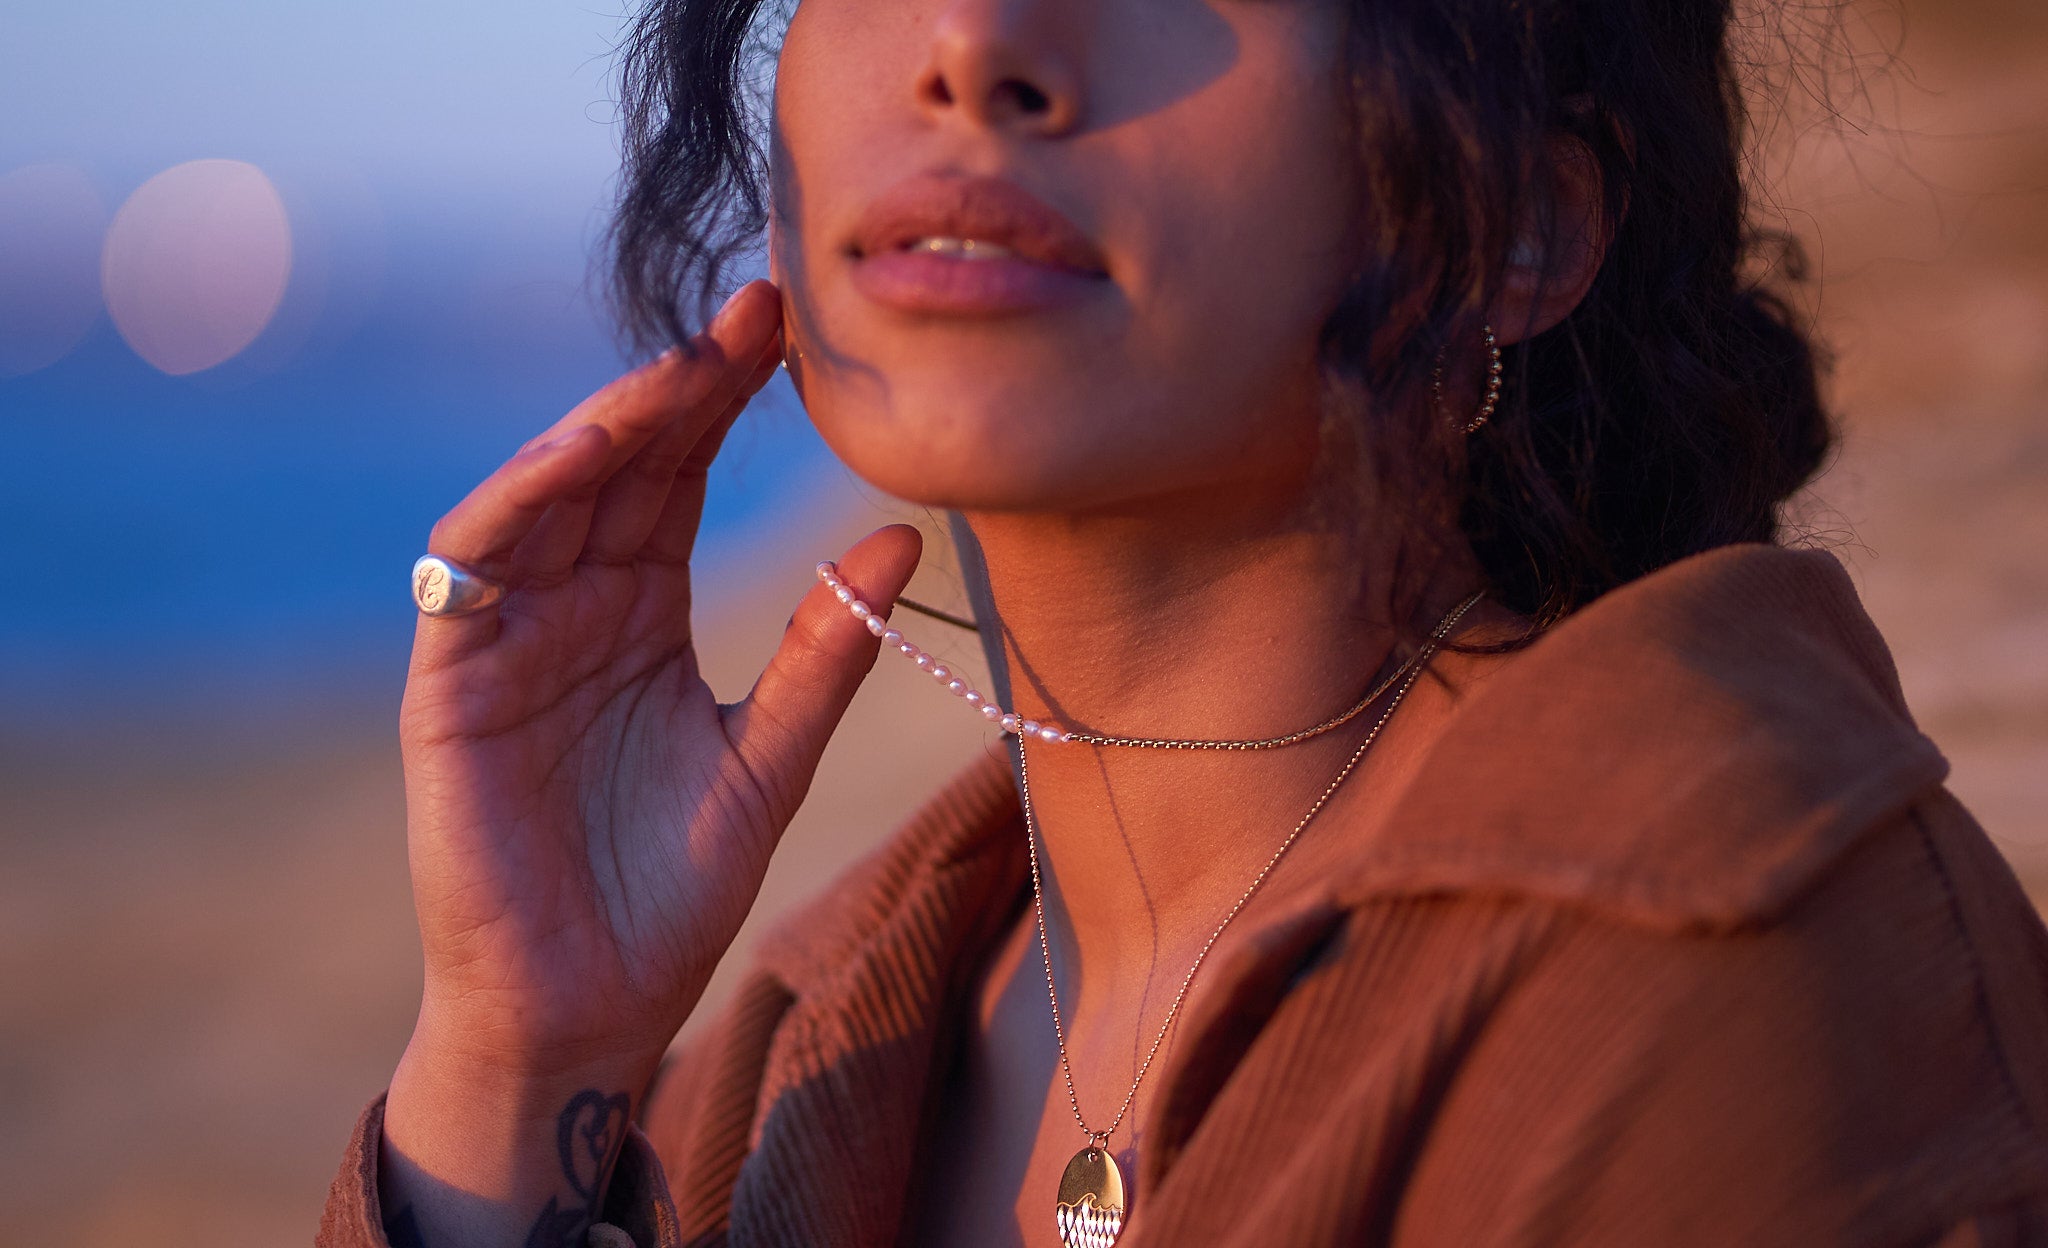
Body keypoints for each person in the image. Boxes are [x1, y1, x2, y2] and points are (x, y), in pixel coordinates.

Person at [322, 0, 2048, 1244]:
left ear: (1520, 218)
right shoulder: (806, 1044)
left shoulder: (1729, 973)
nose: (974, 43)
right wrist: (516, 1053)